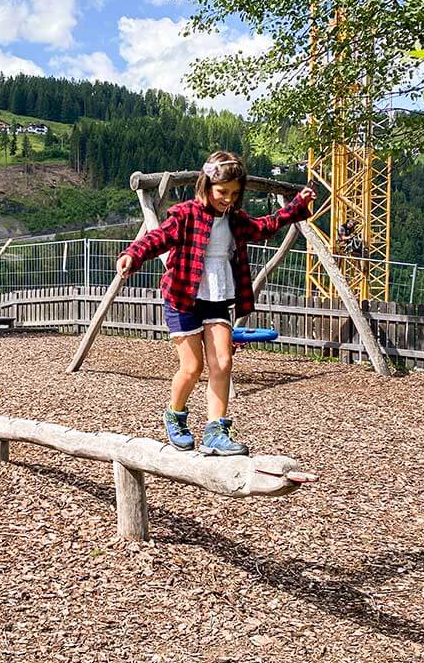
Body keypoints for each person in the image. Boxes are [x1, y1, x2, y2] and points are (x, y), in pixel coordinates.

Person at [116, 151, 315, 456]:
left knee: (222, 362)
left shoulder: (235, 220)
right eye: (223, 192)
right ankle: (175, 414)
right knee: (193, 366)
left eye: (235, 194)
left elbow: (264, 227)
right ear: (206, 185)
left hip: (217, 297)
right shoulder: (186, 215)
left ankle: (216, 431)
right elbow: (156, 238)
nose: (228, 199)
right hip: (183, 297)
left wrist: (297, 207)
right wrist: (132, 254)